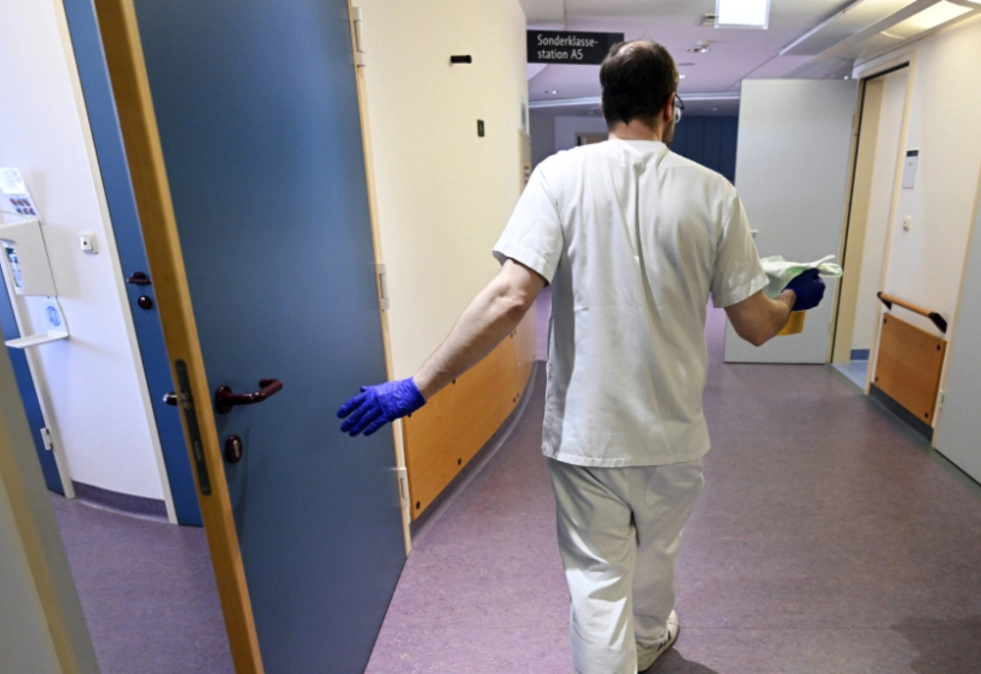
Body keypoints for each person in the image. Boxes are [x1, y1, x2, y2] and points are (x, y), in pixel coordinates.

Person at [337, 40, 825, 673]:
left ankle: (636, 644)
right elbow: (756, 326)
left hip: (588, 436)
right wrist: (792, 298)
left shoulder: (558, 177)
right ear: (670, 107)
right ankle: (646, 640)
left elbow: (511, 297)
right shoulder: (714, 193)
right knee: (657, 555)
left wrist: (418, 387)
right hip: (674, 436)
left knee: (599, 583)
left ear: (605, 104)